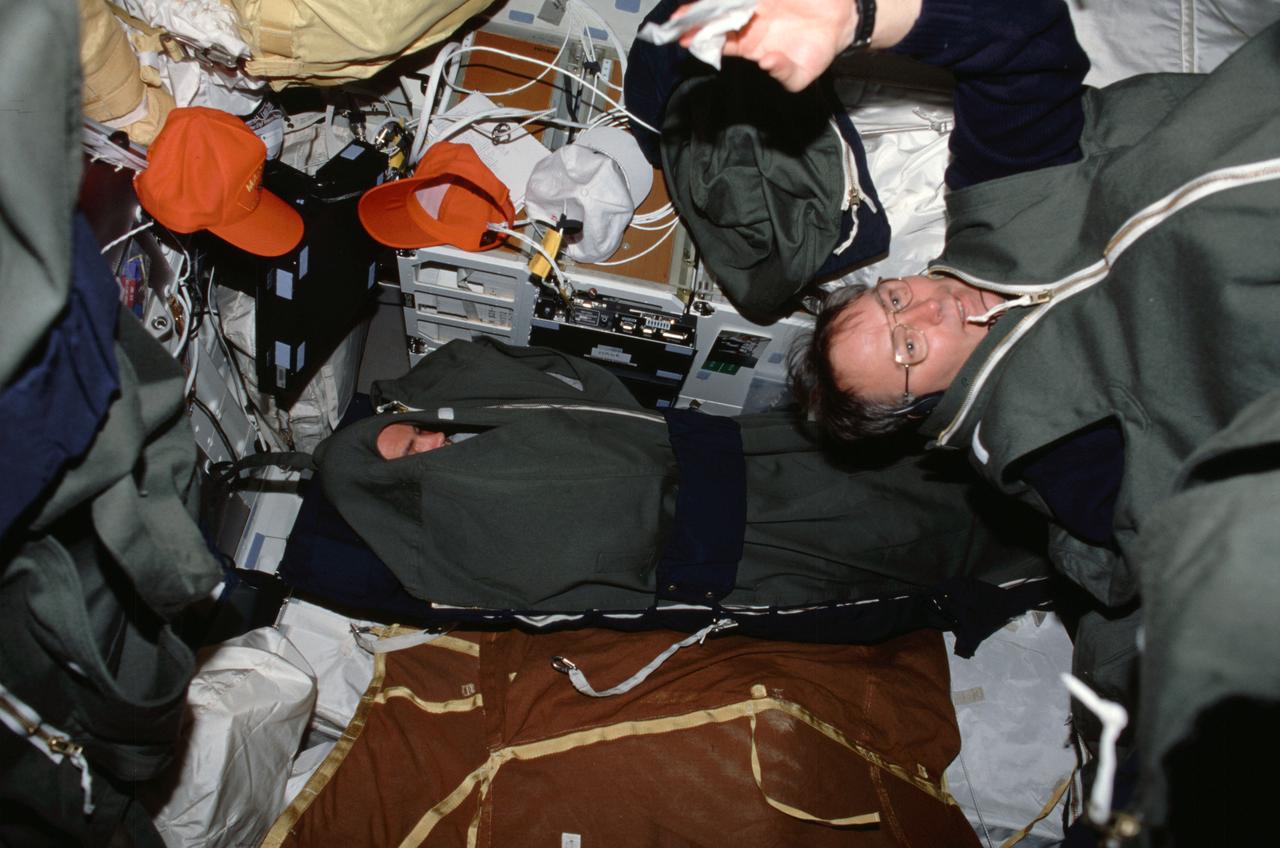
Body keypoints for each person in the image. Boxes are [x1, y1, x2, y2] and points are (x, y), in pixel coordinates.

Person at [705, 0, 1280, 834]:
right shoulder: (1059, 451)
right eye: (908, 350)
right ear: (924, 408)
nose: (930, 312)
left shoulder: (997, 207)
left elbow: (1020, 41)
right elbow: (1185, 533)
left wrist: (854, 18)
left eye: (894, 298)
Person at [311, 336, 1051, 647]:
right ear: (389, 490)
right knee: (892, 542)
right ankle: (1039, 551)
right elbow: (559, 582)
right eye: (411, 453)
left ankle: (1032, 475)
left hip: (729, 456)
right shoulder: (437, 555)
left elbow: (558, 402)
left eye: (416, 432)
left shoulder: (476, 416)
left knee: (887, 470)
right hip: (726, 550)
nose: (434, 446)